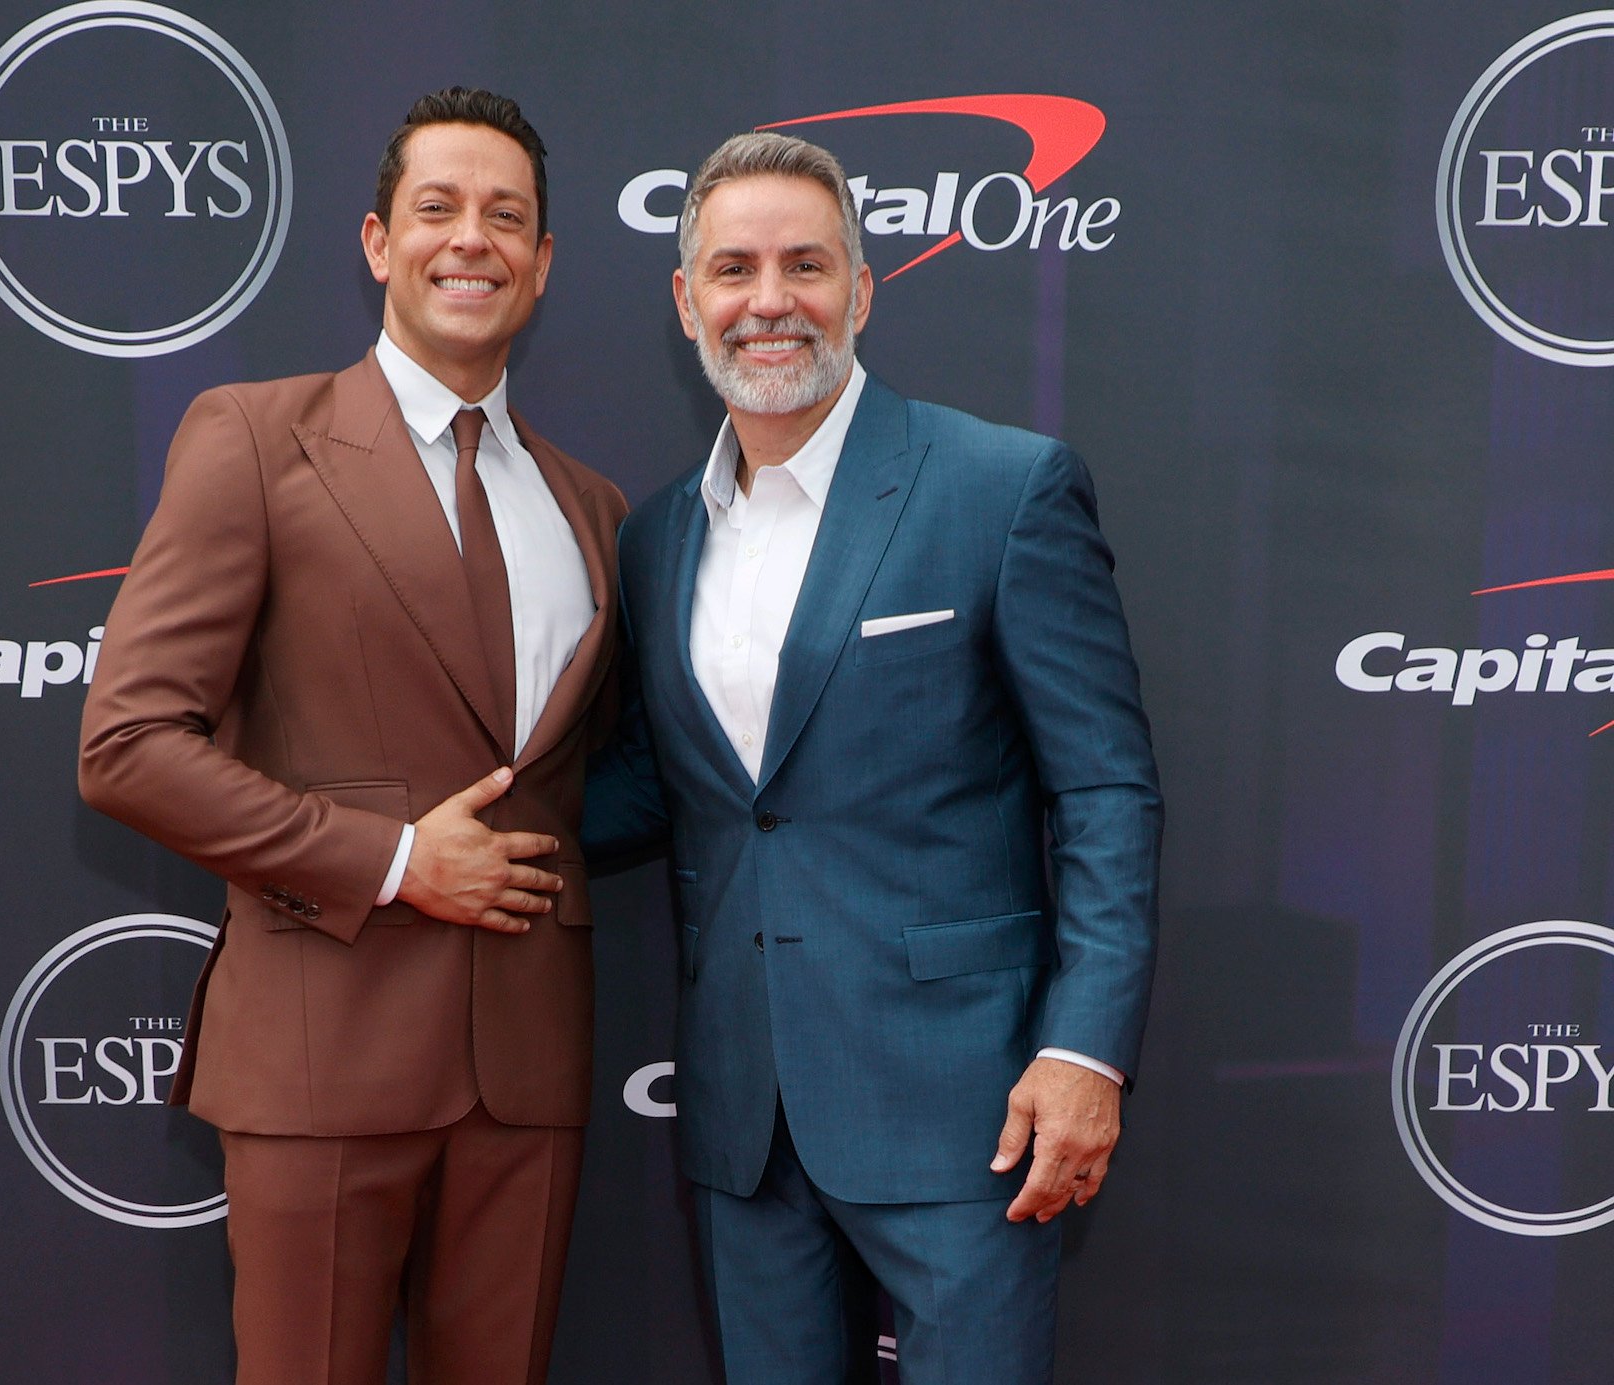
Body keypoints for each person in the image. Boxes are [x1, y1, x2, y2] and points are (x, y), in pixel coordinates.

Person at [586, 131, 1161, 1384]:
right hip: (743, 1116)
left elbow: (1104, 788)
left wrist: (1083, 1049)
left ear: (861, 286)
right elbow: (662, 788)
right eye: (732, 269)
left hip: (968, 1109)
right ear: (687, 302)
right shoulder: (657, 538)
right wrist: (415, 817)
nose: (769, 300)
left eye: (805, 263)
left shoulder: (999, 487)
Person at [79, 88, 625, 1385]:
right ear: (379, 240)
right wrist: (390, 858)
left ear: (544, 264)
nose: (471, 239)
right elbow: (128, 742)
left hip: (529, 1068)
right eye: (439, 208)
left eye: (508, 217)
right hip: (321, 1050)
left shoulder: (592, 508)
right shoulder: (257, 440)